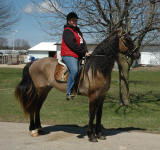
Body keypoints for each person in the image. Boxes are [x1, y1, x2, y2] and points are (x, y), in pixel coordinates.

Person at [61, 12, 90, 100]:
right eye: (73, 20)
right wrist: (83, 53)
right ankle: (69, 92)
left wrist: (86, 51)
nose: (75, 21)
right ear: (69, 21)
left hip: (78, 54)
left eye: (76, 20)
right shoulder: (67, 31)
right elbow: (72, 45)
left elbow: (83, 43)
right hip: (68, 54)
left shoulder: (78, 31)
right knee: (74, 70)